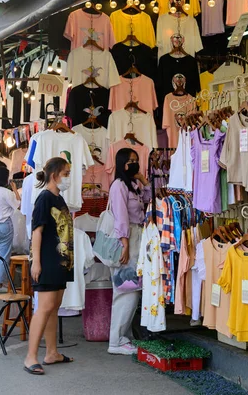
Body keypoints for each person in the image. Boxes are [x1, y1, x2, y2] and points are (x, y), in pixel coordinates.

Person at [23, 157, 74, 375]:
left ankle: (51, 352)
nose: (68, 178)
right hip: (48, 260)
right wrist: (36, 262)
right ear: (55, 175)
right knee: (44, 307)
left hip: (61, 261)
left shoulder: (59, 198)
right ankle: (30, 357)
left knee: (54, 306)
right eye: (66, 173)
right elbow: (37, 231)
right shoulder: (44, 199)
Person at [107, 149, 150, 355]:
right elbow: (121, 217)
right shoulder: (118, 186)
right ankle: (116, 341)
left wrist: (142, 178)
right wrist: (125, 244)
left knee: (132, 289)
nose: (134, 164)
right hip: (127, 239)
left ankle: (123, 336)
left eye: (136, 160)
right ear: (122, 163)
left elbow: (151, 198)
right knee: (126, 290)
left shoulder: (133, 185)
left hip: (136, 237)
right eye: (130, 161)